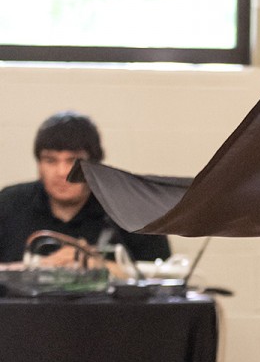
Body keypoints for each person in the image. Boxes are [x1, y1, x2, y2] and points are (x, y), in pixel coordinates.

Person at [0, 112, 171, 268]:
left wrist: (99, 267)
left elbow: (163, 277)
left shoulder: (134, 210)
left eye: (74, 161)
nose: (62, 172)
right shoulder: (9, 204)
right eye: (50, 161)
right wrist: (41, 266)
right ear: (39, 165)